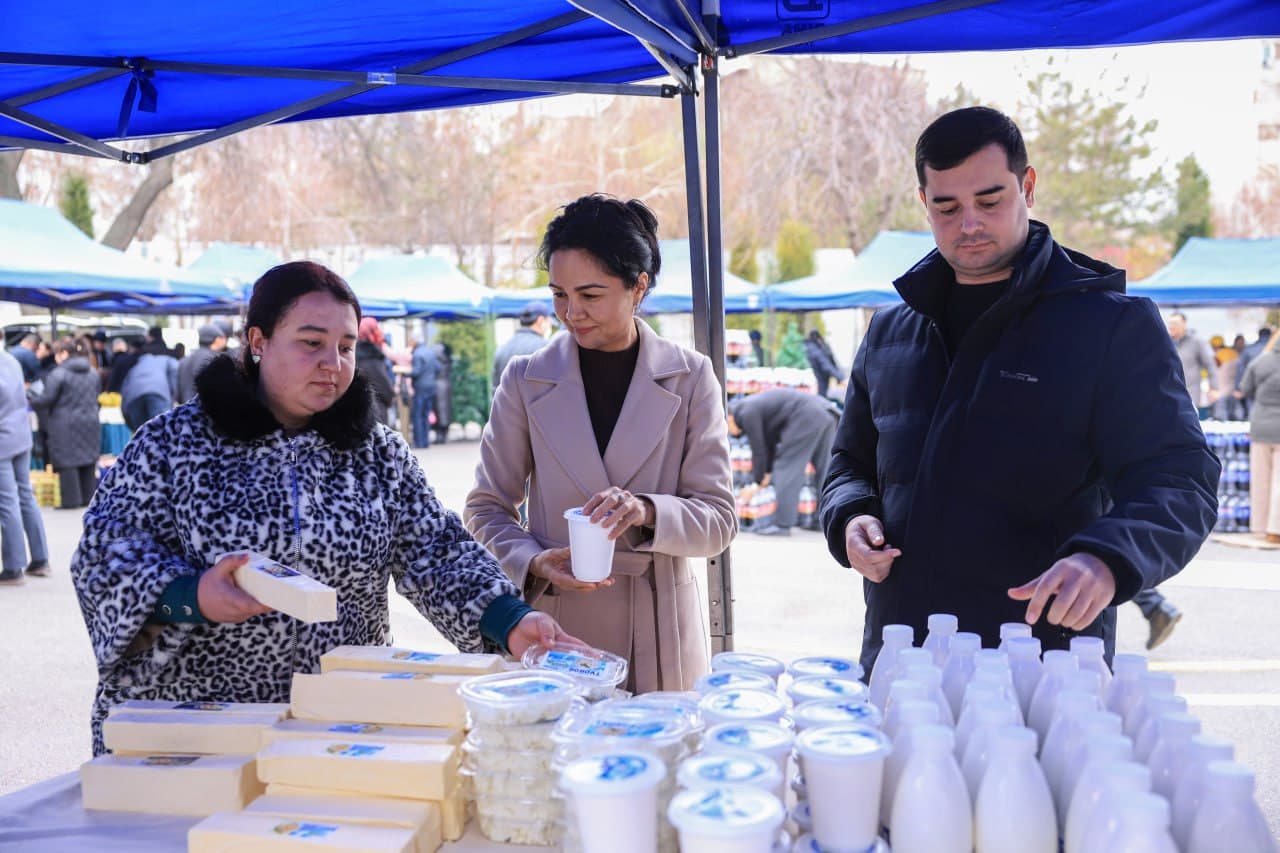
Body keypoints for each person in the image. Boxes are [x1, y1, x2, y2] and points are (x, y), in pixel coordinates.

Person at [70, 261, 578, 754]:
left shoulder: (377, 453)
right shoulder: (174, 444)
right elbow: (104, 558)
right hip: (203, 729)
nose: (333, 364)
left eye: (346, 346)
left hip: (339, 728)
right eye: (311, 343)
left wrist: (510, 619)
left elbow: (437, 553)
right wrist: (193, 595)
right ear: (258, 341)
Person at [819, 107, 1219, 673]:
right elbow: (849, 463)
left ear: (1027, 187)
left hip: (1043, 663)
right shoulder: (890, 331)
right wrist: (850, 517)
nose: (969, 224)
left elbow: (1179, 479)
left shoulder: (1108, 326)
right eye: (947, 207)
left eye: (990, 201)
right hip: (903, 656)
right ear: (923, 202)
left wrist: (1108, 558)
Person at [465, 194, 736, 693]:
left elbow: (719, 519)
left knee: (659, 741)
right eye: (558, 294)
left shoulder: (690, 377)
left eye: (590, 295)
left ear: (639, 286)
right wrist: (531, 561)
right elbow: (486, 509)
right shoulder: (525, 380)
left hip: (659, 629)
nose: (572, 313)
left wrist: (647, 510)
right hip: (557, 624)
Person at [727, 388, 838, 536]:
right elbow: (769, 444)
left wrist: (758, 481)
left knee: (786, 467)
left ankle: (783, 524)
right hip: (825, 413)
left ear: (728, 417)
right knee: (824, 469)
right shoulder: (752, 407)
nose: (730, 433)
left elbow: (758, 448)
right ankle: (823, 520)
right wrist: (766, 473)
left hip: (806, 415)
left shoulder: (746, 412)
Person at [27, 338, 101, 510]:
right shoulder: (92, 372)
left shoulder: (58, 374)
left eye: (57, 354)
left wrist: (31, 400)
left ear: (64, 353)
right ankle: (88, 497)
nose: (55, 358)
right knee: (88, 459)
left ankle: (71, 500)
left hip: (64, 423)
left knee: (67, 460)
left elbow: (47, 399)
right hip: (90, 420)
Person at [0, 349, 50, 585]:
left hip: (3, 439)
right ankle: (40, 559)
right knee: (25, 495)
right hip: (21, 434)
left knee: (7, 502)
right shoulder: (11, 360)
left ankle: (13, 568)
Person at [1240, 332, 1280, 544]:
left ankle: (1259, 527)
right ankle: (1275, 530)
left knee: (1260, 480)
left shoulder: (1260, 361)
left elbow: (1245, 389)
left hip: (1260, 425)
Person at [120, 327, 178, 432]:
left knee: (141, 435)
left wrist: (125, 411)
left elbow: (125, 385)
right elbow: (175, 373)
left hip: (133, 397)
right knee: (160, 433)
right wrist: (174, 397)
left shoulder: (139, 359)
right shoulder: (169, 358)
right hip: (158, 394)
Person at [1168, 312, 1221, 420]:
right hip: (1169, 392)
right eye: (1170, 323)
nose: (1171, 326)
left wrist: (1214, 388)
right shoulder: (1166, 342)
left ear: (1184, 324)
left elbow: (1210, 365)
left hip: (1190, 394)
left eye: (1175, 323)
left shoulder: (1196, 342)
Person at [492, 301, 552, 389]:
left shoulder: (502, 348)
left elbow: (495, 388)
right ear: (540, 320)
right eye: (549, 322)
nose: (549, 327)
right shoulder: (545, 347)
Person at [355, 317, 395, 425]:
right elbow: (384, 388)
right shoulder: (372, 356)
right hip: (374, 412)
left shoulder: (352, 354)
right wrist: (391, 396)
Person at [176, 324, 228, 404]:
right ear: (217, 339)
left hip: (185, 407)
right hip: (204, 408)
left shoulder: (184, 360)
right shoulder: (213, 360)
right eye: (223, 338)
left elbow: (178, 392)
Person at [1235, 327, 1273, 419]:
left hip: (1253, 385)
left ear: (1259, 335)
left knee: (1252, 411)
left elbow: (1240, 369)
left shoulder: (1248, 350)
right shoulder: (1275, 350)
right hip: (1273, 385)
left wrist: (1238, 387)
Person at [409, 338, 439, 449]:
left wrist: (405, 373)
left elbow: (416, 372)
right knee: (426, 414)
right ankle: (426, 441)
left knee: (417, 415)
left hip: (420, 387)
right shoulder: (430, 352)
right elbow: (438, 368)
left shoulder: (417, 354)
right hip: (431, 386)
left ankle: (419, 442)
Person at [803, 329, 841, 398]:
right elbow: (826, 364)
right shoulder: (816, 349)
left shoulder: (812, 347)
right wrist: (840, 377)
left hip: (820, 380)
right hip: (819, 381)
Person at [432, 341, 452, 444]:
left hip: (437, 386)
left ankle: (439, 434)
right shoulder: (447, 360)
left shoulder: (436, 362)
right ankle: (444, 434)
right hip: (446, 385)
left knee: (438, 411)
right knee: (445, 411)